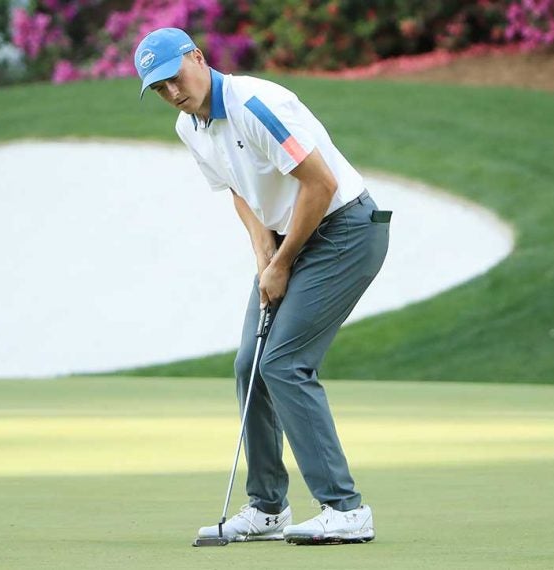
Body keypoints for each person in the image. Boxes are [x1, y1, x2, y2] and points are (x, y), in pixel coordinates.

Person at [133, 28, 390, 545]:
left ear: (197, 58)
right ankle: (268, 507)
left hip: (345, 232)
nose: (172, 93)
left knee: (284, 363)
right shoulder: (191, 126)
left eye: (174, 78)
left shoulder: (256, 102)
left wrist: (283, 259)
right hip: (289, 238)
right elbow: (240, 192)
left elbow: (321, 183)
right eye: (158, 89)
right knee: (250, 363)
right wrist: (263, 253)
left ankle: (346, 509)